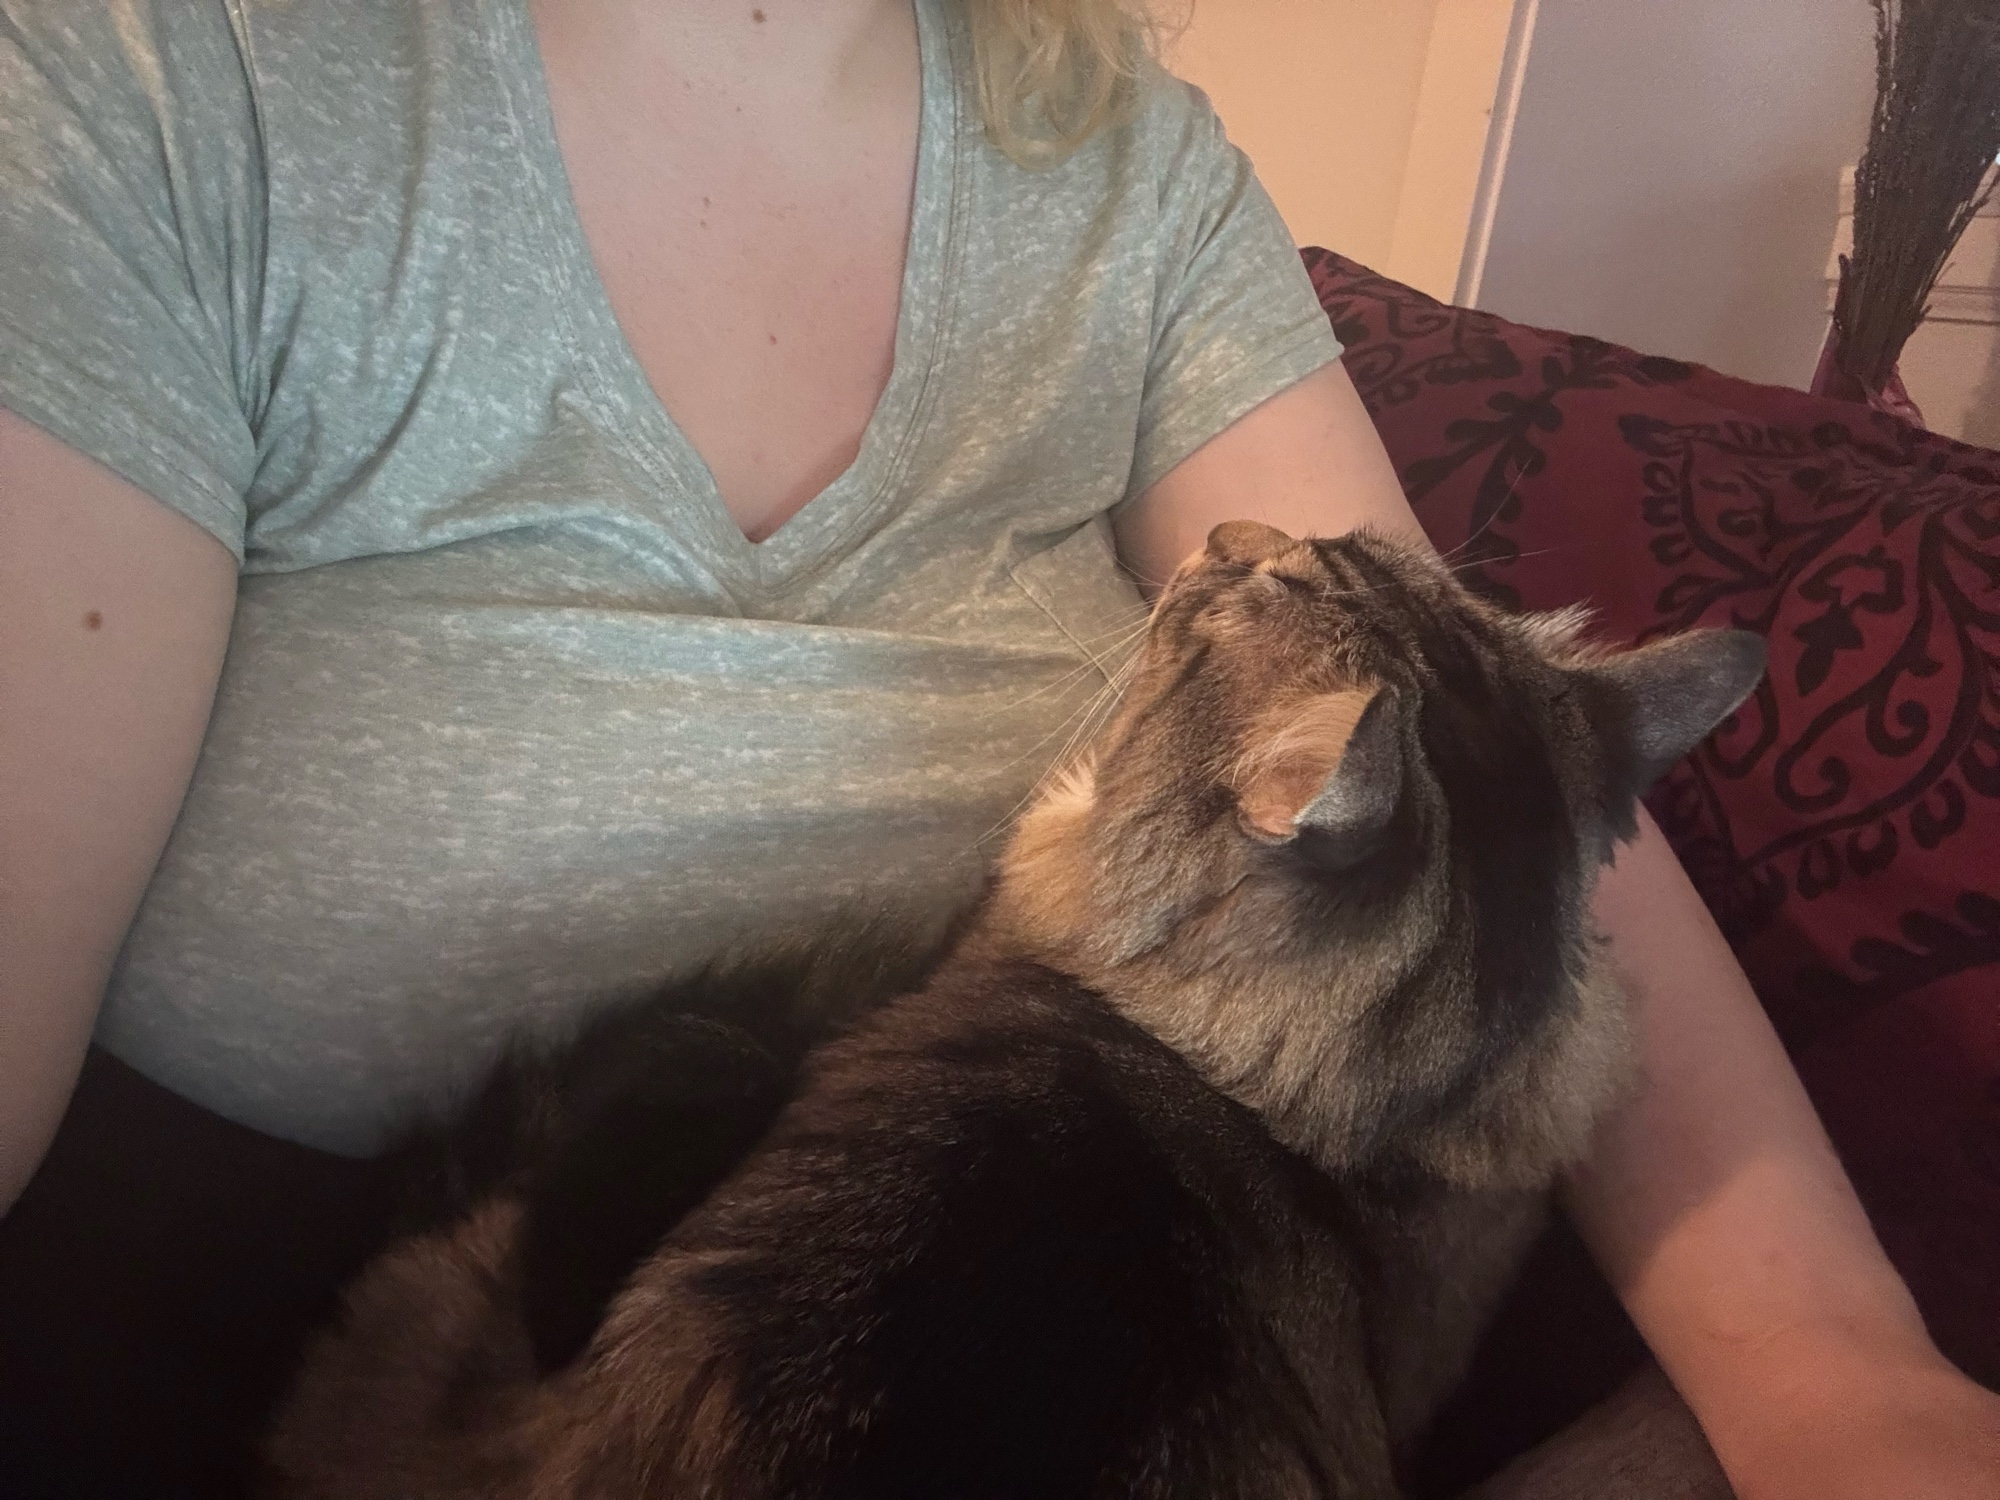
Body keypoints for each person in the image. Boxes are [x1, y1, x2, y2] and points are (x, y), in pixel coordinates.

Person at [1, 0, 1994, 1495]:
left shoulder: (1123, 161)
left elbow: (1518, 784)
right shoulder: (166, 77)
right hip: (381, 1373)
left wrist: (1826, 1363)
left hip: (1064, 1321)